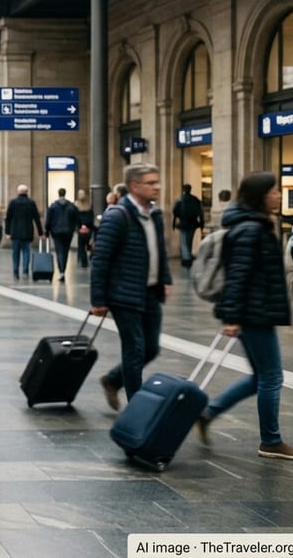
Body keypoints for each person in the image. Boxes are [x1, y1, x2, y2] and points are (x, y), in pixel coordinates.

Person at [197, 172, 293, 459]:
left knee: (260, 377)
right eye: (273, 191)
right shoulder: (251, 229)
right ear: (260, 195)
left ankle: (207, 413)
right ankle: (271, 440)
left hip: (255, 310)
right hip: (254, 313)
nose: (278, 195)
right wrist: (233, 317)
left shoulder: (253, 225)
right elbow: (238, 276)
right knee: (272, 377)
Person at [90, 163, 172, 410]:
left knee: (151, 348)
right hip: (124, 293)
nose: (157, 186)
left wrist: (165, 278)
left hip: (149, 291)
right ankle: (136, 408)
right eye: (151, 183)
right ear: (134, 186)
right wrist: (98, 300)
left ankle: (113, 380)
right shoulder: (118, 216)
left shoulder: (154, 215)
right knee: (135, 349)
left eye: (157, 181)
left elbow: (159, 250)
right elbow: (100, 259)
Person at [4, 184, 42, 280]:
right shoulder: (31, 202)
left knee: (15, 253)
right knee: (26, 252)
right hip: (27, 232)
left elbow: (8, 218)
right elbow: (37, 218)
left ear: (18, 192)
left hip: (15, 232)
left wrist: (7, 232)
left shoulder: (12, 202)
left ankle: (15, 271)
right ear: (27, 192)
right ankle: (25, 271)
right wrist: (41, 232)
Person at [45, 188, 79, 280]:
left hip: (56, 231)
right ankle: (63, 269)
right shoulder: (71, 206)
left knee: (59, 251)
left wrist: (47, 231)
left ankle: (61, 271)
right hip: (68, 231)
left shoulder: (53, 206)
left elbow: (48, 220)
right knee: (65, 251)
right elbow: (76, 218)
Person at [172, 183, 205, 269]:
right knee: (189, 241)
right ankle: (188, 257)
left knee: (183, 241)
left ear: (183, 190)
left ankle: (186, 259)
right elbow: (200, 213)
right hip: (193, 223)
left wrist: (174, 223)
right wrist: (202, 224)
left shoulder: (180, 200)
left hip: (183, 223)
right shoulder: (196, 200)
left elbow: (175, 212)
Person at [75, 189, 95, 268]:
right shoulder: (89, 206)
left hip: (81, 229)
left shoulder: (76, 205)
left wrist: (80, 226)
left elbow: (76, 218)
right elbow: (91, 217)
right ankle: (91, 256)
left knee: (81, 246)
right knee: (88, 244)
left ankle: (84, 262)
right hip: (88, 229)